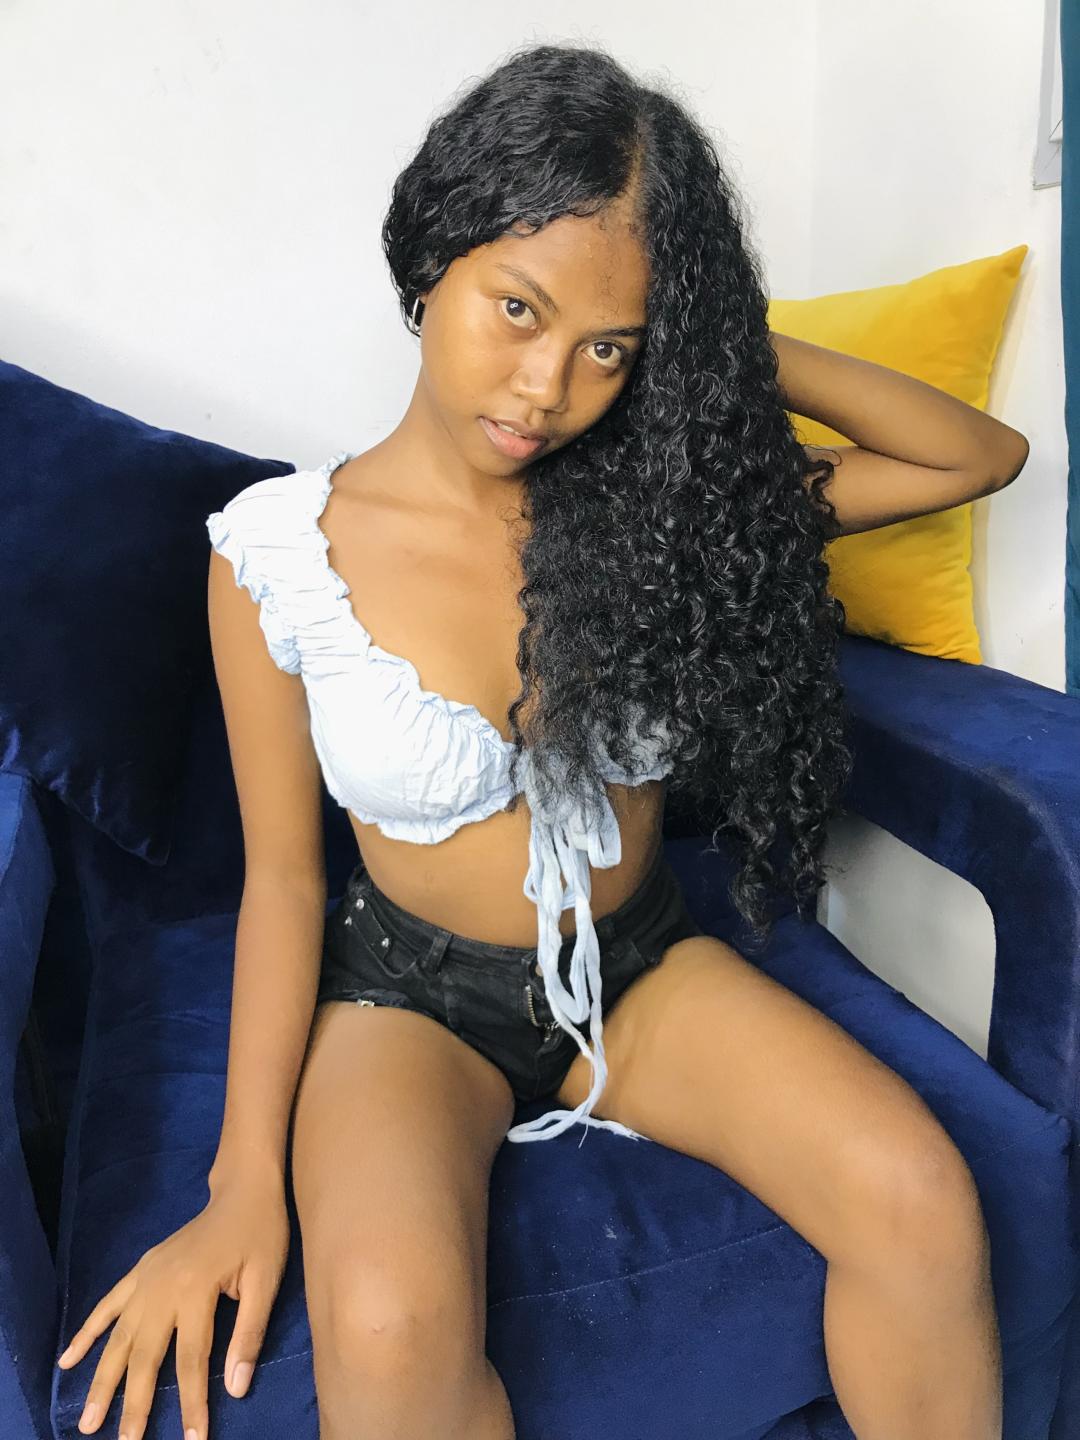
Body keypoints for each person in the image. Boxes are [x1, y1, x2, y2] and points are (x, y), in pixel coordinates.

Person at [58, 38, 1027, 1440]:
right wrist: (238, 1187)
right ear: (432, 259)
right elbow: (280, 879)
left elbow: (974, 457)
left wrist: (714, 336)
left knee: (918, 1195)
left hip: (640, 967)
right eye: (517, 307)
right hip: (407, 998)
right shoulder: (278, 556)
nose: (545, 384)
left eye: (607, 346)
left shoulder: (662, 509)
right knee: (385, 1330)